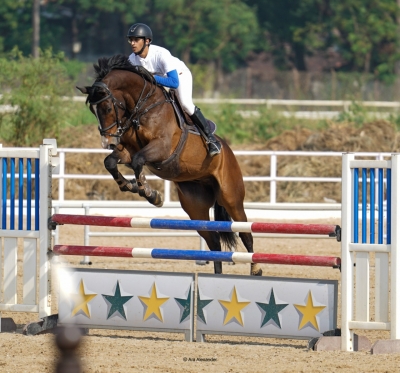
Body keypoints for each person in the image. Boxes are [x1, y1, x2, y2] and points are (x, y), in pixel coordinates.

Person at [126, 23, 221, 157]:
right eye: (131, 40)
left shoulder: (161, 54)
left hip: (180, 76)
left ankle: (211, 139)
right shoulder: (132, 59)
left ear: (147, 41)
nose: (133, 43)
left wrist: (151, 78)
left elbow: (174, 82)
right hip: (158, 81)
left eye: (136, 40)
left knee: (186, 104)